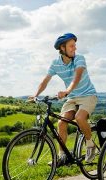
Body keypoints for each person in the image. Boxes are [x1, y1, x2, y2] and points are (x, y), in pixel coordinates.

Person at [29, 33, 98, 167]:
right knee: (61, 123)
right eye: (72, 46)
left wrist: (67, 91)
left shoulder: (79, 59)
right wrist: (36, 94)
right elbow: (45, 80)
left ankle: (90, 144)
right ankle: (62, 156)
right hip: (72, 98)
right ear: (62, 48)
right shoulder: (55, 63)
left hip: (88, 95)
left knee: (79, 117)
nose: (75, 48)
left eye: (75, 46)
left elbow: (76, 78)